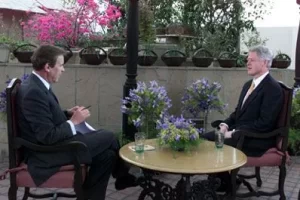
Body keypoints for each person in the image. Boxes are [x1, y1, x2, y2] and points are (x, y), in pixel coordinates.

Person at [16, 45, 137, 200]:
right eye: (60, 65)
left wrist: (67, 114)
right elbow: (46, 136)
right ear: (48, 67)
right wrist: (73, 122)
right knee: (109, 137)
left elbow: (44, 117)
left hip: (58, 145)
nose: (63, 69)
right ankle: (122, 177)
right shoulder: (34, 92)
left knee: (107, 156)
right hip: (48, 153)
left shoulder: (37, 85)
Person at [203, 45, 283, 191]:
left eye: (252, 60)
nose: (248, 63)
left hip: (257, 139)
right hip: (241, 133)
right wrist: (225, 125)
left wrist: (233, 133)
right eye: (247, 59)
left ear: (265, 63)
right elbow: (237, 114)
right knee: (204, 138)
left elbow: (264, 124)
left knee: (213, 141)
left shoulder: (273, 88)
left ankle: (225, 184)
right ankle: (224, 182)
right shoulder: (248, 85)